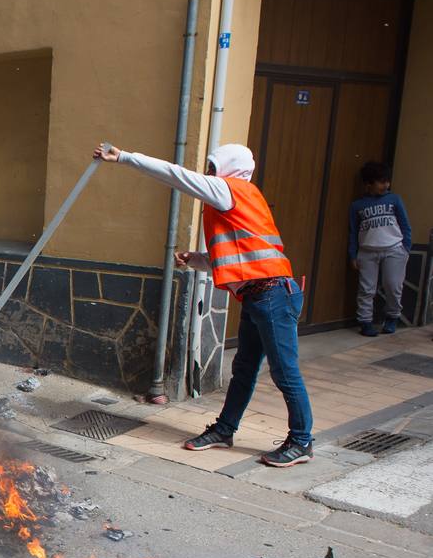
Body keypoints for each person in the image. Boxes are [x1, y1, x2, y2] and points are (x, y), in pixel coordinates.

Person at [94, 142, 314, 467]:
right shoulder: (241, 197)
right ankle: (224, 431)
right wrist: (196, 260)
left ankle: (302, 441)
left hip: (272, 295)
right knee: (244, 369)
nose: (208, 173)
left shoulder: (229, 189)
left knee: (285, 372)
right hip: (261, 295)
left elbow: (176, 175)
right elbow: (240, 257)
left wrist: (125, 157)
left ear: (226, 167)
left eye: (213, 166)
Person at [348, 161, 411, 336]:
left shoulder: (394, 199)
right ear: (368, 184)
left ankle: (392, 316)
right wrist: (353, 255)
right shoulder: (357, 205)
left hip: (394, 250)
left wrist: (406, 247)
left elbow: (405, 225)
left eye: (387, 181)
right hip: (367, 251)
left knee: (393, 285)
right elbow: (353, 231)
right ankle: (365, 322)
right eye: (381, 182)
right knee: (366, 289)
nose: (386, 185)